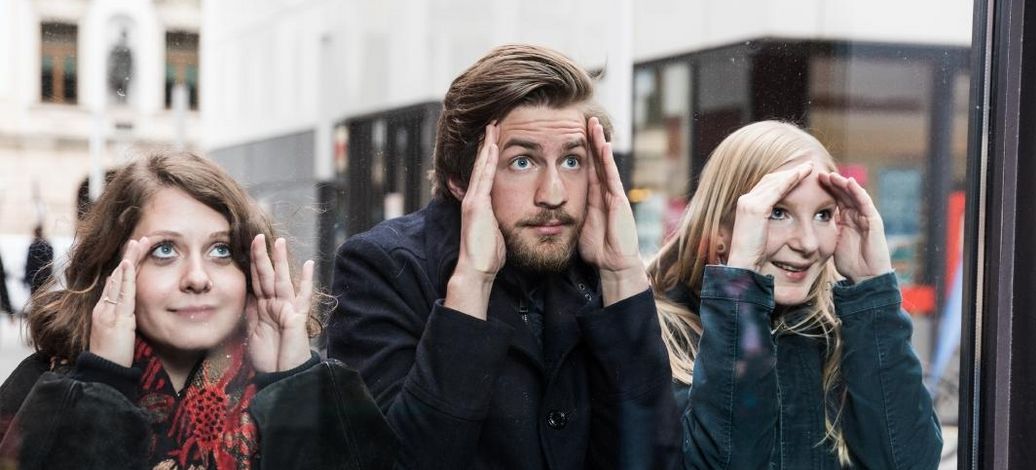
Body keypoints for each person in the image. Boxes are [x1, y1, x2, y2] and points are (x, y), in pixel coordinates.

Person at [329, 44, 679, 469]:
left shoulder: (598, 270)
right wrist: (471, 287)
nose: (553, 195)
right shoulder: (382, 267)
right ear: (460, 178)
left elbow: (652, 460)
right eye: (522, 162)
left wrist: (623, 277)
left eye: (572, 161)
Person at [0, 152, 397, 470]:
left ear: (250, 269)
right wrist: (101, 385)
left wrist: (294, 379)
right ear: (112, 268)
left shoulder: (318, 392)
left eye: (220, 250)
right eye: (164, 250)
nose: (197, 277)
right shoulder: (43, 390)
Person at [648, 121, 942, 469]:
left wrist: (870, 289)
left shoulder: (841, 334)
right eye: (778, 212)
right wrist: (740, 290)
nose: (807, 243)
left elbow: (909, 463)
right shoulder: (655, 335)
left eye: (823, 214)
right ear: (721, 228)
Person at [24, 224, 53, 296]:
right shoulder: (47, 245)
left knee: (37, 298)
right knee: (42, 298)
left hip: (36, 278)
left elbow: (29, 264)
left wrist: (26, 278)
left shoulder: (34, 246)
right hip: (43, 277)